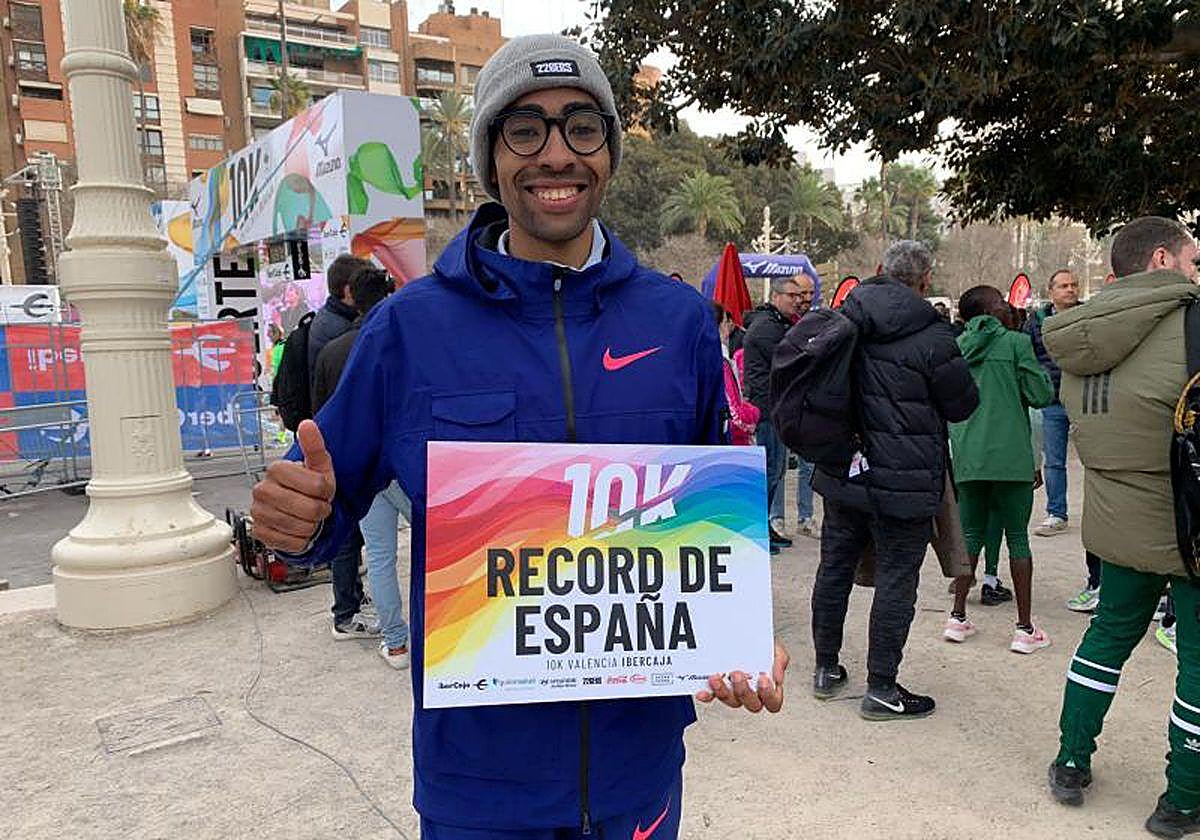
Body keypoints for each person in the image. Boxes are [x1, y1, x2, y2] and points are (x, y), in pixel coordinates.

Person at [250, 34, 788, 839]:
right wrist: (297, 518)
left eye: (582, 126)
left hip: (639, 775)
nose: (557, 154)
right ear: (491, 159)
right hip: (478, 789)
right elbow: (318, 504)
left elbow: (711, 526)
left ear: (608, 152)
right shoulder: (407, 330)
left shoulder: (677, 323)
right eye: (525, 130)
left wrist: (740, 639)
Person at [1041, 217, 1200, 837]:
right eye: (1193, 261)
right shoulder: (1190, 321)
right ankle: (1182, 800)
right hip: (1190, 526)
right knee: (1197, 666)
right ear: (1162, 259)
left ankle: (1071, 759)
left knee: (1106, 640)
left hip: (1116, 519)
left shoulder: (1080, 330)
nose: (1196, 272)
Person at [809, 242, 978, 719]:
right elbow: (962, 405)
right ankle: (882, 687)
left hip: (844, 469)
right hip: (907, 479)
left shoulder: (844, 319)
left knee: (834, 567)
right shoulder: (933, 335)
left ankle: (825, 668)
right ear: (925, 280)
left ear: (879, 270)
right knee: (897, 580)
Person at [941, 285, 1054, 652]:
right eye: (1002, 303)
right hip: (1011, 456)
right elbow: (1040, 395)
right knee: (1018, 538)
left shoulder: (955, 347)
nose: (1008, 307)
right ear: (992, 310)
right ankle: (1024, 628)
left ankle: (957, 617)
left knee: (970, 535)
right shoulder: (1016, 343)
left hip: (969, 456)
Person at [312, 266, 411, 669]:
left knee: (381, 559)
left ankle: (396, 643)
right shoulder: (405, 342)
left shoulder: (332, 350)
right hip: (405, 465)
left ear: (351, 296)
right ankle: (449, 634)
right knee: (439, 548)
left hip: (359, 469)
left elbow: (320, 415)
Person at [308, 252, 377, 641]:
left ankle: (350, 606)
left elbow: (319, 402)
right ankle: (350, 612)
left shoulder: (328, 337)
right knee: (370, 543)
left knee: (357, 539)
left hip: (340, 452)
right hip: (361, 456)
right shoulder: (364, 342)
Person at [743, 272, 809, 552]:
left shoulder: (778, 324)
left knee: (777, 470)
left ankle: (765, 526)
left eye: (800, 296)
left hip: (777, 407)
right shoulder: (767, 328)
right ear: (776, 297)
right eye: (792, 296)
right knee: (770, 471)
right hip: (767, 408)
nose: (798, 301)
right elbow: (791, 362)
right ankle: (758, 530)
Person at [1027, 269, 1079, 541]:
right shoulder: (1035, 322)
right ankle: (1057, 513)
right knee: (1054, 461)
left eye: (1073, 285)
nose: (1070, 290)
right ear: (1051, 292)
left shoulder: (1089, 316)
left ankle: (1103, 514)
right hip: (1052, 402)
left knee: (1099, 460)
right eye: (1063, 286)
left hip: (1084, 401)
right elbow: (1028, 357)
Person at [712, 302, 759, 445]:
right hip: (729, 440)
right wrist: (753, 413)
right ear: (720, 326)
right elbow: (734, 411)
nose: (729, 326)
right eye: (726, 321)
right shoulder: (721, 361)